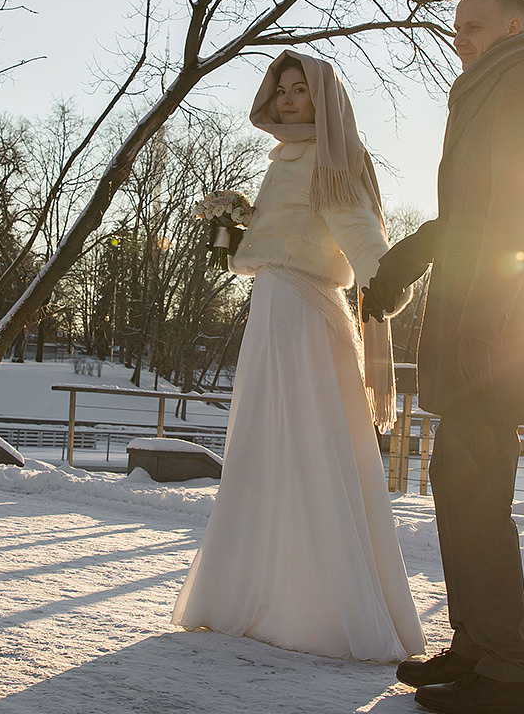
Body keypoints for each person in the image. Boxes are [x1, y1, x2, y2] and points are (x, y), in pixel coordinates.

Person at [173, 52, 425, 663]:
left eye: (298, 90)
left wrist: (387, 284)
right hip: (272, 310)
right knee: (266, 446)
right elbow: (279, 237)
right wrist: (231, 230)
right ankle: (258, 597)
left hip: (307, 315)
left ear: (323, 100)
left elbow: (362, 236)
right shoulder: (283, 159)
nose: (286, 100)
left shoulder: (332, 159)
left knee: (313, 447)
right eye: (280, 90)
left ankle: (321, 612)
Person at [362, 0, 524, 714]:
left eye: (475, 25)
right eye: (457, 29)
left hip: (495, 336)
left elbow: (519, 219)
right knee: (460, 486)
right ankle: (478, 647)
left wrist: (488, 328)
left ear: (514, 27)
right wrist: (407, 262)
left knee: (478, 496)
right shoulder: (487, 93)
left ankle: (509, 670)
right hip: (478, 330)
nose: (463, 39)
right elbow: (466, 221)